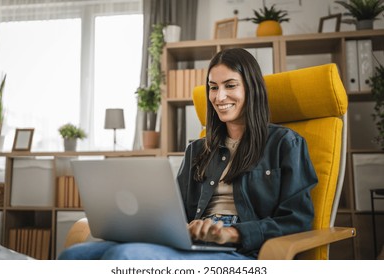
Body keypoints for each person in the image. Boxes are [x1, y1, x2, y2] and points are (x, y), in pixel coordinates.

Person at [58, 48, 318, 260]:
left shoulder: (285, 143)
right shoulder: (198, 150)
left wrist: (232, 233)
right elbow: (177, 212)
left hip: (242, 253)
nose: (219, 96)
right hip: (194, 244)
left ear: (251, 88)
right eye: (213, 87)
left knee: (127, 256)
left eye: (230, 85)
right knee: (77, 255)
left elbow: (297, 220)